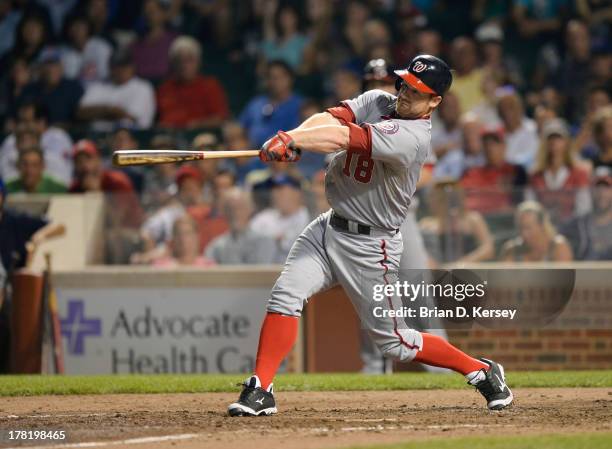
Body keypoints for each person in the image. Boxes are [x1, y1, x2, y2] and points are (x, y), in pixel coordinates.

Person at [227, 55, 513, 417]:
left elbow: (344, 136)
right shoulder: (378, 100)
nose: (407, 94)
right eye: (406, 84)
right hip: (329, 227)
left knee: (396, 342)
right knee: (286, 294)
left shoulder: (412, 138)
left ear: (435, 101)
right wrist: (297, 137)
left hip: (370, 245)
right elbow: (330, 119)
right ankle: (261, 388)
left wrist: (292, 139)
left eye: (419, 91)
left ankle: (481, 370)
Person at [527, 119, 592, 225]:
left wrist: (569, 223)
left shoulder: (579, 173)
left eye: (558, 138)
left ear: (566, 142)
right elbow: (531, 206)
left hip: (572, 228)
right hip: (544, 227)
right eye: (550, 138)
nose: (554, 142)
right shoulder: (534, 175)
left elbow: (583, 208)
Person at [69, 139, 143, 229]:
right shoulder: (74, 189)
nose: (85, 166)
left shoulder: (117, 182)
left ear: (98, 160)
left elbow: (116, 222)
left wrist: (96, 192)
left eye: (88, 159)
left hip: (129, 234)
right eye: (79, 161)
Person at [157, 36, 229, 129]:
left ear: (199, 62)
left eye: (189, 60)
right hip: (170, 138)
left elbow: (220, 119)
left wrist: (197, 125)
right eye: (179, 60)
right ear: (173, 63)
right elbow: (161, 121)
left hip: (202, 136)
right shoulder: (165, 88)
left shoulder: (210, 85)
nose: (184, 65)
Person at [77, 49, 156, 130]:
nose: (119, 70)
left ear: (132, 67)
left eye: (123, 66)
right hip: (97, 136)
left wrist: (99, 112)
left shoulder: (142, 87)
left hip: (132, 137)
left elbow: (130, 118)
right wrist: (109, 110)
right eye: (115, 66)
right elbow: (81, 113)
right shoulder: (98, 86)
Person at [420, 181, 495, 264]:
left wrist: (464, 262)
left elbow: (488, 249)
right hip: (438, 272)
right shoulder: (426, 223)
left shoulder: (473, 219)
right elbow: (419, 251)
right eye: (435, 197)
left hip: (470, 269)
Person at [0, 101, 73, 184]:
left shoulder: (57, 141)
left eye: (27, 121)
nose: (23, 126)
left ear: (41, 122)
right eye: (20, 121)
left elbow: (65, 182)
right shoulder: (10, 142)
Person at [461, 127, 527, 215]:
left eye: (494, 143)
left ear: (504, 146)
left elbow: (521, 204)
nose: (489, 148)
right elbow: (460, 197)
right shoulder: (471, 173)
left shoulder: (516, 171)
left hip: (504, 220)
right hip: (475, 218)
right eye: (486, 144)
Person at [239, 60, 303, 148]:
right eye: (271, 77)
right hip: (253, 155)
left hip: (284, 156)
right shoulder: (256, 103)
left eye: (279, 77)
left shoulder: (301, 105)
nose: (274, 81)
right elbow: (240, 128)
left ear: (290, 79)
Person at [248, 173, 310, 263]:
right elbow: (249, 242)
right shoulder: (263, 218)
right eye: (273, 189)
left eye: (280, 189)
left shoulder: (308, 217)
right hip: (265, 272)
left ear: (297, 192)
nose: (275, 193)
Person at [205, 188, 276, 265]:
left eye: (240, 207)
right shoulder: (216, 246)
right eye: (230, 208)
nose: (236, 212)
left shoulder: (264, 241)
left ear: (250, 209)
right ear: (224, 212)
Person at [17, 47, 83, 126]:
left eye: (54, 64)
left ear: (61, 67)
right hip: (35, 134)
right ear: (40, 68)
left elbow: (81, 117)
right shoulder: (29, 90)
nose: (50, 69)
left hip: (68, 134)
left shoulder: (73, 87)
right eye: (47, 64)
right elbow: (16, 117)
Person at [561, 168, 612, 260]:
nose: (601, 194)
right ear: (590, 191)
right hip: (584, 273)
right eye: (597, 188)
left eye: (606, 188)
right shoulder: (576, 224)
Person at [500, 201, 573, 262]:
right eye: (521, 228)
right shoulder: (512, 250)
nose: (524, 233)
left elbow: (564, 277)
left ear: (542, 226)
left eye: (528, 228)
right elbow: (504, 277)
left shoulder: (558, 247)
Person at [130, 0, 177, 82]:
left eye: (152, 11)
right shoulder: (134, 45)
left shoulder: (174, 41)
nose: (148, 15)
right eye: (146, 12)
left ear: (163, 13)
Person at [497, 90, 539, 170]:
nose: (507, 112)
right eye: (503, 108)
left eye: (511, 107)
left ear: (520, 109)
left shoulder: (533, 129)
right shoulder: (496, 133)